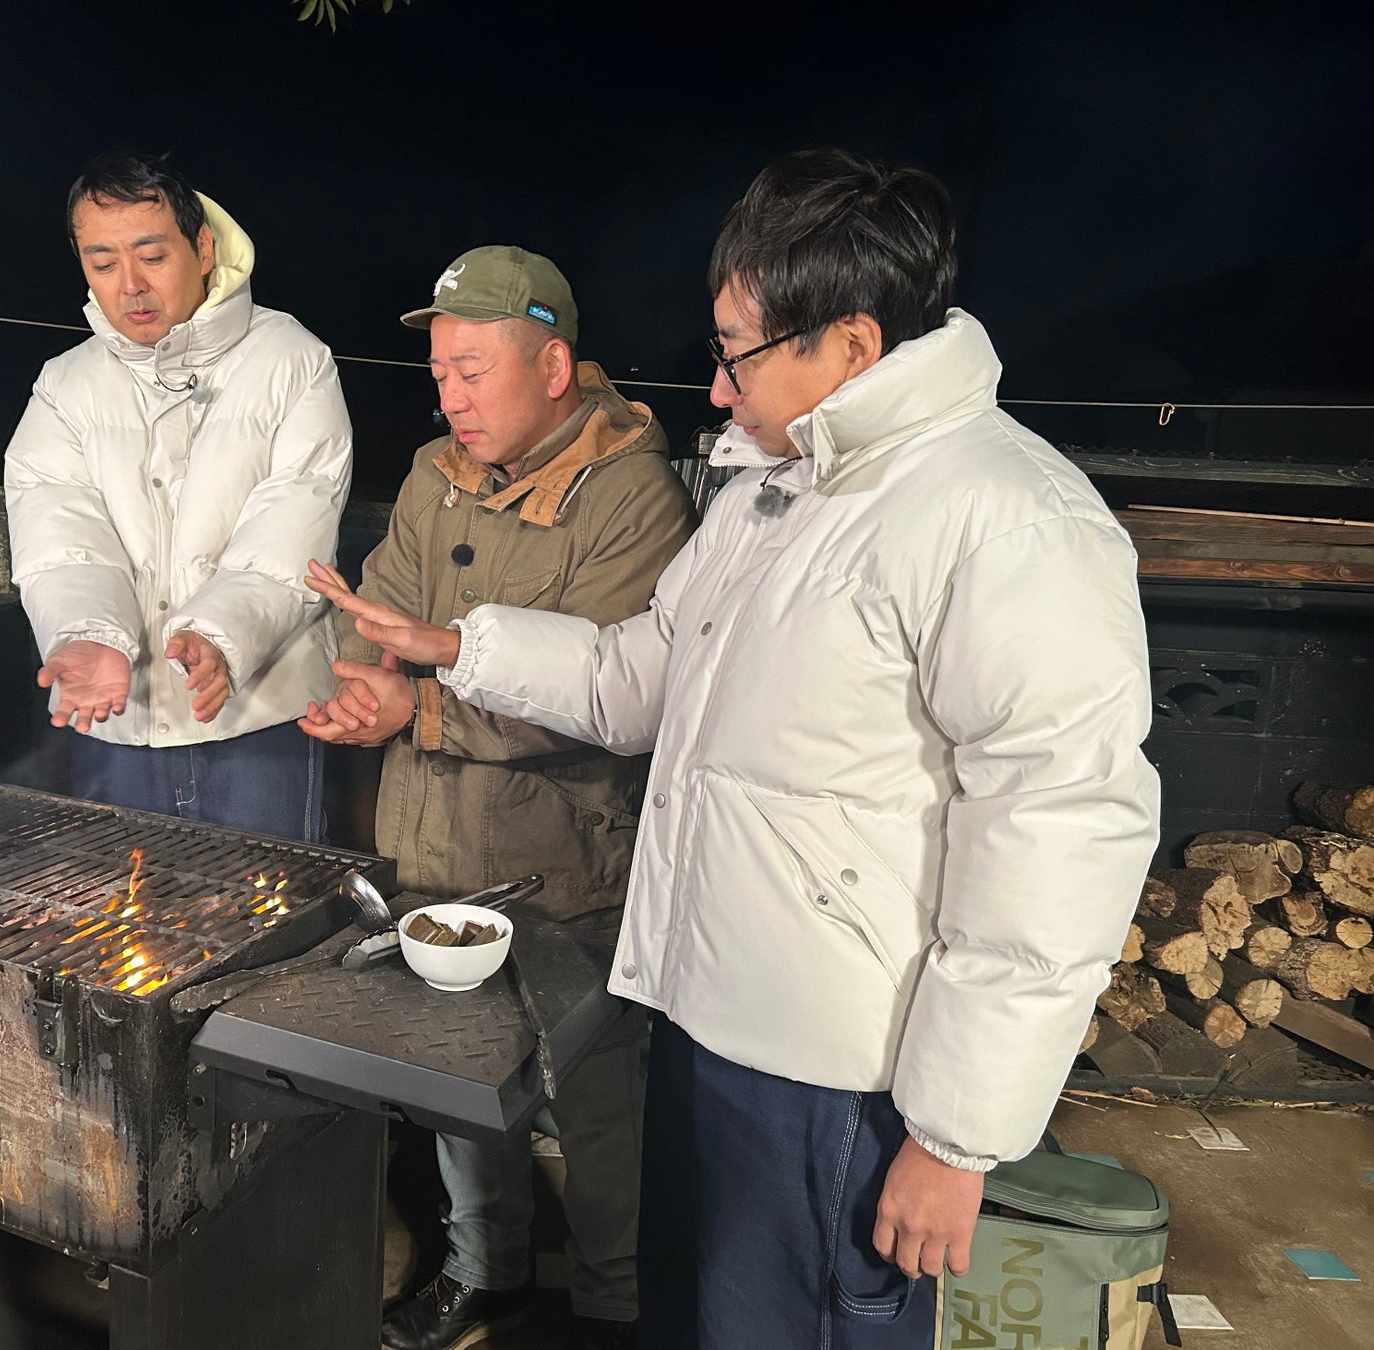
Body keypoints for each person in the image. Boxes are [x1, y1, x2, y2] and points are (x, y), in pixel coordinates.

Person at [307, 149, 1161, 1348]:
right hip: (701, 1012)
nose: (715, 387)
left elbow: (1062, 825)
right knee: (693, 1318)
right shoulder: (779, 492)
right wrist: (455, 645)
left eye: (738, 353)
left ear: (852, 344)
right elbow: (639, 674)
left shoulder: (1006, 516)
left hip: (840, 1070)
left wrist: (958, 1136)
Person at [300, 246, 696, 1350]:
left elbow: (602, 697)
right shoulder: (435, 475)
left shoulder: (635, 501)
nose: (451, 399)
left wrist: (414, 712)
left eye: (473, 372)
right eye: (439, 374)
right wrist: (359, 683)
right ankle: (487, 1275)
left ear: (554, 367)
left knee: (598, 1101)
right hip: (432, 848)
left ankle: (616, 1305)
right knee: (456, 1084)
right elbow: (379, 605)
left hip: (568, 864)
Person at [4, 151, 351, 840]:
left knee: (267, 899)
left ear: (203, 248)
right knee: (121, 905)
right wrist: (86, 634)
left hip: (259, 714)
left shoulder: (292, 358)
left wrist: (221, 635)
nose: (130, 285)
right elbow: (59, 530)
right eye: (103, 263)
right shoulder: (65, 384)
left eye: (152, 256)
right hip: (118, 713)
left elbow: (293, 520)